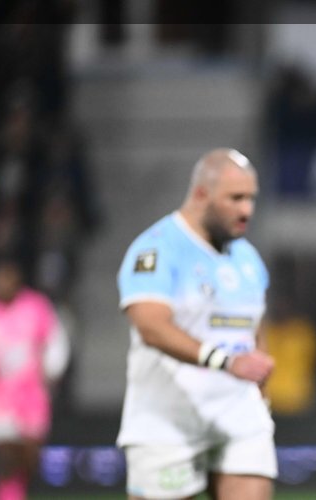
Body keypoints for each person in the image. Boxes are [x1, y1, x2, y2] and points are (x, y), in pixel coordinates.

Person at [116, 149, 276, 500]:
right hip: (167, 420)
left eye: (251, 198)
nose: (247, 210)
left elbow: (254, 331)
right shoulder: (157, 249)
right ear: (202, 194)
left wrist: (262, 396)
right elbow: (151, 328)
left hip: (238, 416)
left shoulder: (248, 257)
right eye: (236, 198)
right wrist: (225, 362)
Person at [0, 257, 68, 500]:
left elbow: (55, 341)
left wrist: (52, 369)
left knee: (28, 457)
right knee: (5, 454)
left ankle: (17, 492)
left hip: (32, 397)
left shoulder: (36, 306)